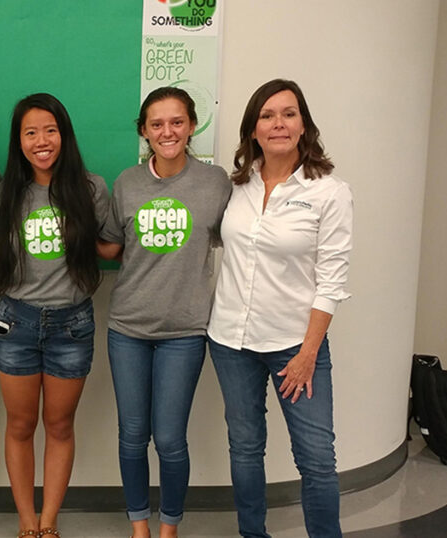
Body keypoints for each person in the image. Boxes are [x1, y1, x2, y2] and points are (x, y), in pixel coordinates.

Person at [207, 79, 353, 538]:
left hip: (296, 345)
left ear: (303, 124)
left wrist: (308, 353)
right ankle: (253, 534)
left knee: (316, 458)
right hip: (230, 340)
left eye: (289, 114)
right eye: (267, 116)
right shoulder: (237, 185)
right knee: (245, 449)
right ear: (253, 129)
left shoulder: (329, 192)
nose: (278, 124)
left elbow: (332, 280)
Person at [100, 87, 231, 538]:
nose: (167, 131)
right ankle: (140, 527)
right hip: (128, 329)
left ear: (192, 126)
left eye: (176, 122)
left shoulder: (216, 184)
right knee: (132, 436)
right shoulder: (126, 183)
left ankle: (169, 528)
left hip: (186, 331)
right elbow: (114, 248)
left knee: (171, 440)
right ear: (144, 132)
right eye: (156, 124)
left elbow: (239, 244)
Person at [0, 93, 111, 538]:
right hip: (16, 322)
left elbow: (109, 245)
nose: (42, 141)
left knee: (60, 425)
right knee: (20, 425)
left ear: (64, 134)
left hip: (71, 325)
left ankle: (49, 522)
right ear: (18, 141)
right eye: (30, 132)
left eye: (50, 130)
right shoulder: (5, 192)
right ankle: (26, 522)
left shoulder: (92, 189)